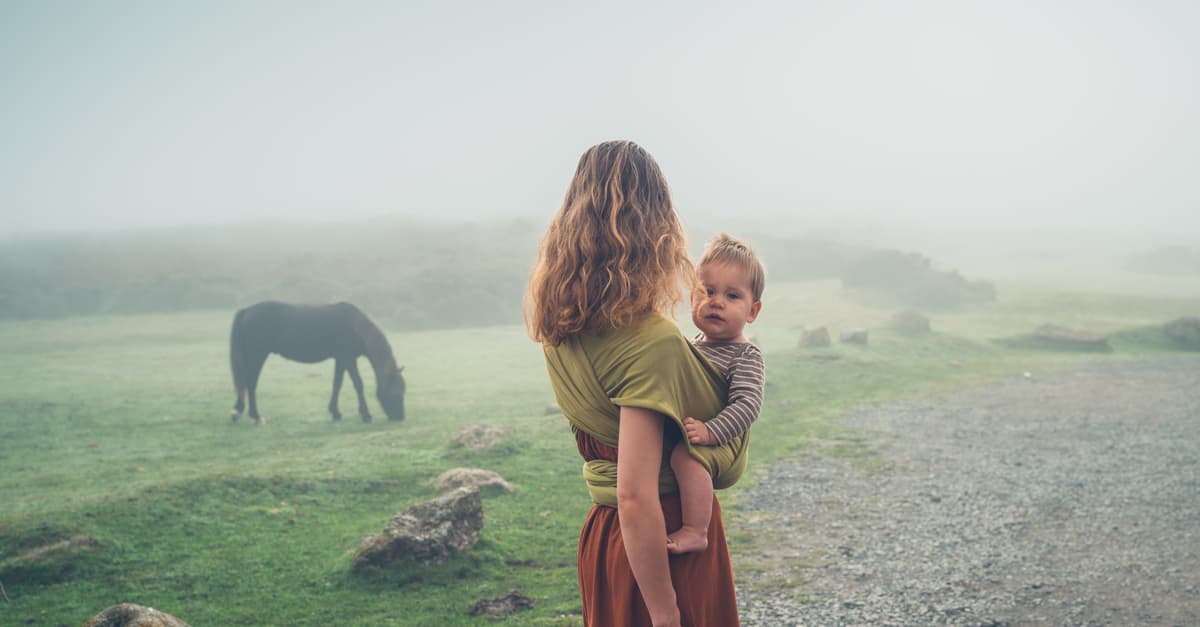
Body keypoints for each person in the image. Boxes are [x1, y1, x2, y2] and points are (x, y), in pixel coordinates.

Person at [527, 140, 747, 627]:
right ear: (657, 228)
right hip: (661, 547)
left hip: (606, 540)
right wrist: (665, 608)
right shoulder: (652, 342)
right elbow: (635, 493)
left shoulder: (559, 330)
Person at [667, 233, 766, 555]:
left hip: (717, 442)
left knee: (684, 458)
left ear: (753, 310)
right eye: (707, 291)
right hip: (689, 429)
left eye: (732, 295)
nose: (717, 302)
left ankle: (696, 530)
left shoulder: (745, 355)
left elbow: (748, 404)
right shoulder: (691, 346)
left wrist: (711, 432)